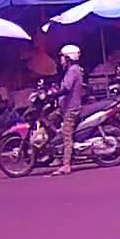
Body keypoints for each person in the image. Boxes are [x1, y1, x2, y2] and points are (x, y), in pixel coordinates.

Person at [53, 44, 86, 176]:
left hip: (71, 108)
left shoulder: (72, 70)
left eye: (62, 57)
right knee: (50, 118)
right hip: (66, 107)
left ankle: (66, 164)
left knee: (67, 135)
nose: (61, 60)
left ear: (68, 58)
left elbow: (66, 89)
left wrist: (54, 94)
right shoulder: (75, 70)